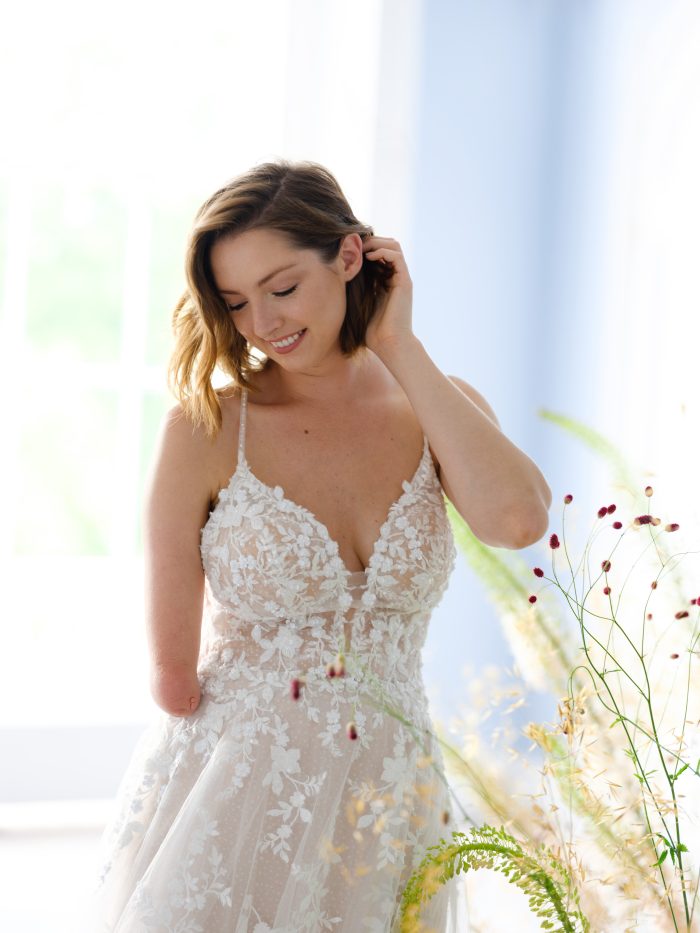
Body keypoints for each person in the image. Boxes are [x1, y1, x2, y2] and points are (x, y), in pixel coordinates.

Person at [87, 159, 552, 931]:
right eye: (236, 302)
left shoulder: (441, 407)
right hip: (243, 807)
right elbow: (173, 679)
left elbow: (518, 522)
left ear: (348, 257)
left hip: (394, 805)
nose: (263, 321)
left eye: (282, 287)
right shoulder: (207, 427)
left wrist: (400, 345)